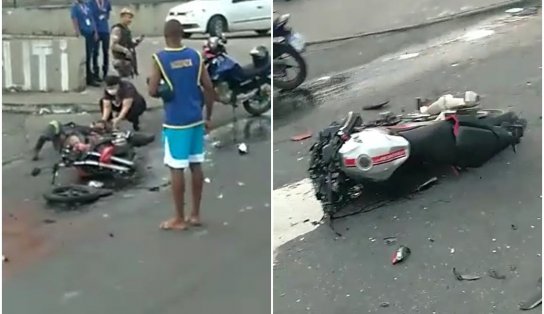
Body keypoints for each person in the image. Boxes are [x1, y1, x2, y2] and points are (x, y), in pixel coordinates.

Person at [148, 19, 217, 231]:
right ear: (182, 35)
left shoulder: (159, 59)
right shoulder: (196, 56)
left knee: (176, 168)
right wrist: (208, 117)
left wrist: (160, 87)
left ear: (165, 36)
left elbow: (152, 91)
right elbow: (208, 87)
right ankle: (195, 214)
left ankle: (179, 218)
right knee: (196, 165)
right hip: (196, 118)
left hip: (176, 123)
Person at [32, 120, 108, 160]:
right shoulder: (57, 129)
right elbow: (43, 137)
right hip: (67, 137)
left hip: (71, 138)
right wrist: (36, 152)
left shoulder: (87, 132)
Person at [70, 0, 100, 87]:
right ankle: (88, 78)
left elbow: (91, 18)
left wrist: (95, 31)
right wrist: (77, 32)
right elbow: (74, 19)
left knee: (90, 55)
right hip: (83, 32)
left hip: (90, 31)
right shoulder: (75, 7)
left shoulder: (87, 5)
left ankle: (90, 76)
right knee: (86, 56)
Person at [110, 8, 144, 78]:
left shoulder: (127, 30)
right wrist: (124, 50)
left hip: (127, 63)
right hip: (120, 61)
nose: (130, 20)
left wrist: (137, 41)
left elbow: (129, 44)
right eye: (128, 17)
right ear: (122, 17)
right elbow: (113, 45)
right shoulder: (117, 29)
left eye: (131, 18)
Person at [88, 0, 112, 81]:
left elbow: (108, 14)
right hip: (96, 31)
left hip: (105, 30)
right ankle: (96, 72)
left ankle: (105, 72)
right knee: (95, 52)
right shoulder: (91, 2)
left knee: (106, 52)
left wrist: (104, 16)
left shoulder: (107, 2)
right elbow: (91, 18)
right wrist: (95, 32)